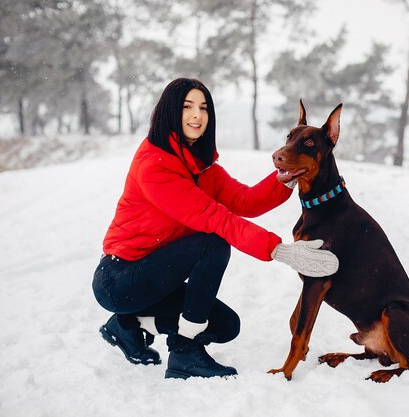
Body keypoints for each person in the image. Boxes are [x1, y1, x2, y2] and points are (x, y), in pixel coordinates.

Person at [92, 78, 338, 381]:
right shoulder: (154, 165)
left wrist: (285, 178)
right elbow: (215, 218)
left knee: (224, 326)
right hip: (119, 279)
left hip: (157, 276)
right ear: (170, 111)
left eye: (204, 108)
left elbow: (244, 200)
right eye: (188, 107)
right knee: (213, 242)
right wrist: (278, 250)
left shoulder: (199, 163)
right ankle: (184, 352)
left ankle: (127, 326)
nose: (197, 115)